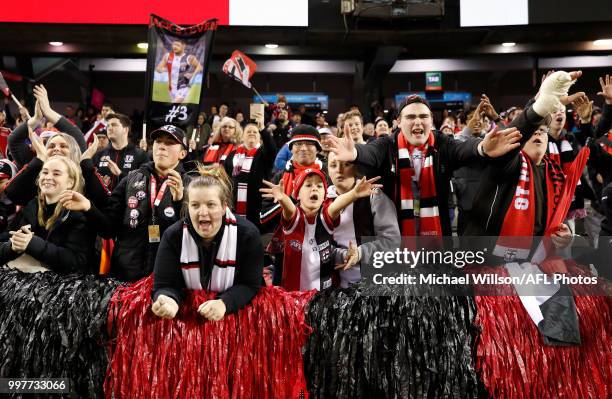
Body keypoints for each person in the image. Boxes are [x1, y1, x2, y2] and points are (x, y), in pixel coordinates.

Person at [328, 94, 525, 237]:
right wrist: (354, 153)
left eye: (423, 117)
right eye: (410, 117)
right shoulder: (386, 145)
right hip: (395, 240)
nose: (418, 122)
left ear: (431, 120)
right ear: (398, 122)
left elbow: (463, 149)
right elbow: (370, 153)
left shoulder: (442, 143)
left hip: (437, 240)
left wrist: (482, 147)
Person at [60, 125, 189, 281]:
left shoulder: (192, 185)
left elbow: (194, 236)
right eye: (158, 141)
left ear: (183, 153)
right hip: (126, 276)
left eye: (169, 143)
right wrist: (88, 207)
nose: (161, 146)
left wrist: (179, 201)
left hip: (167, 279)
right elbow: (108, 229)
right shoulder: (130, 179)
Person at [151, 165, 262, 320]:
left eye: (211, 204)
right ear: (187, 207)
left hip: (235, 321)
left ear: (224, 207)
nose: (203, 212)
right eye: (195, 205)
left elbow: (251, 284)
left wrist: (224, 303)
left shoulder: (247, 235)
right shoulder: (173, 236)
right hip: (187, 322)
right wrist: (169, 300)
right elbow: (164, 284)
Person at [260, 168, 378, 291]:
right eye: (308, 185)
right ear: (297, 195)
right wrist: (283, 198)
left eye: (319, 186)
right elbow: (289, 208)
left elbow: (337, 204)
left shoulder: (326, 216)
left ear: (324, 197)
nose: (314, 188)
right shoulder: (294, 217)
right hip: (293, 297)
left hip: (322, 297)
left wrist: (354, 194)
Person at [0, 156, 95, 274]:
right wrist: (12, 247)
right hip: (23, 284)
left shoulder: (79, 213)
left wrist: (32, 244)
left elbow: (77, 262)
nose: (48, 177)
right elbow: (3, 242)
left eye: (56, 174)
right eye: (45, 172)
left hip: (62, 288)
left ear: (70, 182)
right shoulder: (31, 206)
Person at [326, 151, 400, 288]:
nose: (339, 170)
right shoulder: (323, 199)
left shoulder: (374, 195)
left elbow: (392, 241)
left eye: (346, 164)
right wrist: (341, 255)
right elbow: (315, 245)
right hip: (335, 286)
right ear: (328, 171)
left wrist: (359, 253)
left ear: (355, 168)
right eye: (333, 165)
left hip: (374, 285)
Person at [223, 122, 276, 228]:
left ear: (260, 136)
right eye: (248, 131)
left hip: (257, 205)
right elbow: (227, 176)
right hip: (235, 203)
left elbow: (271, 148)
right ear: (242, 136)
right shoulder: (233, 155)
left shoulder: (263, 153)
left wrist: (263, 129)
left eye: (255, 132)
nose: (252, 133)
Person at [92, 113, 148, 191]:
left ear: (126, 129)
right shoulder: (98, 155)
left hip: (127, 202)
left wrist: (120, 174)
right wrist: (99, 184)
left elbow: (143, 185)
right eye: (108, 126)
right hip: (102, 202)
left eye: (114, 125)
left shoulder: (140, 155)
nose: (109, 128)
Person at [155, 40, 203, 104]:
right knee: (176, 108)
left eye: (177, 45)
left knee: (174, 104)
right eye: (174, 45)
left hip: (183, 86)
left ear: (183, 46)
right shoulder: (168, 56)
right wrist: (164, 70)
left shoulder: (189, 57)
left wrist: (192, 74)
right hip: (171, 87)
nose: (175, 47)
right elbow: (158, 68)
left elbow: (199, 67)